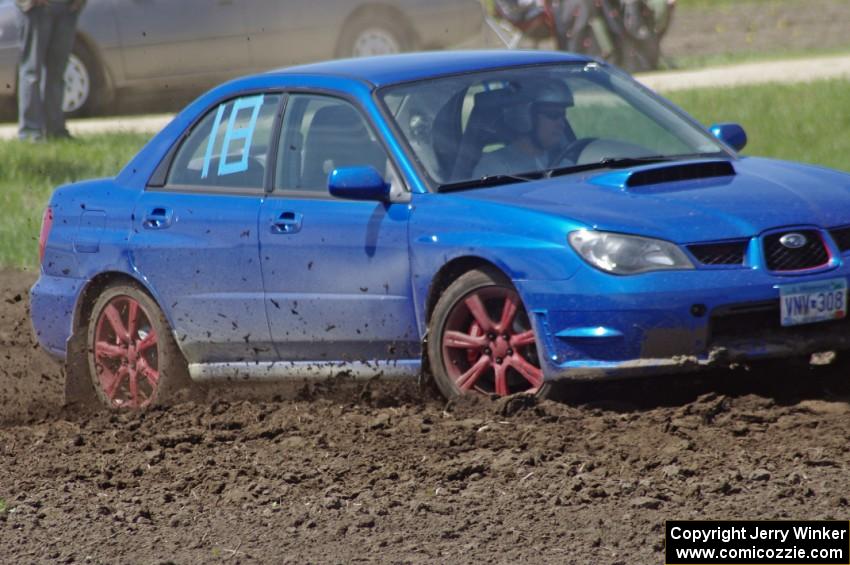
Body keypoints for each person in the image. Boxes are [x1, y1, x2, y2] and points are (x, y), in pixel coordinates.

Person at [473, 80, 576, 177]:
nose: (562, 124)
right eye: (553, 115)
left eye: (563, 116)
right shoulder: (494, 168)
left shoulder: (564, 164)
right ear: (525, 117)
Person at [15, 0, 86, 141]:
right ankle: (30, 132)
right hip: (36, 7)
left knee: (57, 73)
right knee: (32, 73)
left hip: (67, 8)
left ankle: (56, 131)